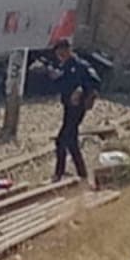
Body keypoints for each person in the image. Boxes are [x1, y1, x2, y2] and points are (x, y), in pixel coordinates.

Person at [43, 39, 102, 189]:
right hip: (68, 107)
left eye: (62, 51)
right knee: (71, 141)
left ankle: (60, 173)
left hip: (78, 107)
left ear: (69, 50)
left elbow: (95, 83)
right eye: (58, 53)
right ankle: (81, 174)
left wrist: (83, 92)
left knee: (62, 139)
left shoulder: (80, 66)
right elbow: (60, 83)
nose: (60, 55)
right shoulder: (63, 66)